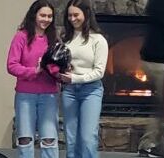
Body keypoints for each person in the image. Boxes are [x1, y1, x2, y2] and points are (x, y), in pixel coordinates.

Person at [6, 1, 59, 158]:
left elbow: (56, 67)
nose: (46, 19)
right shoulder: (21, 37)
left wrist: (58, 69)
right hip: (25, 95)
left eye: (50, 16)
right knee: (25, 139)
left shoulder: (54, 39)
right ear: (34, 15)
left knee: (49, 139)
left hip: (49, 95)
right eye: (43, 15)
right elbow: (11, 65)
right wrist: (34, 71)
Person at [59, 0, 109, 158]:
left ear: (86, 14)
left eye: (76, 15)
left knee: (87, 138)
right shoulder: (65, 38)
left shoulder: (98, 40)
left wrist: (75, 78)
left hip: (91, 91)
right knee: (71, 138)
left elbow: (99, 72)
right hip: (69, 91)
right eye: (69, 15)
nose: (72, 19)